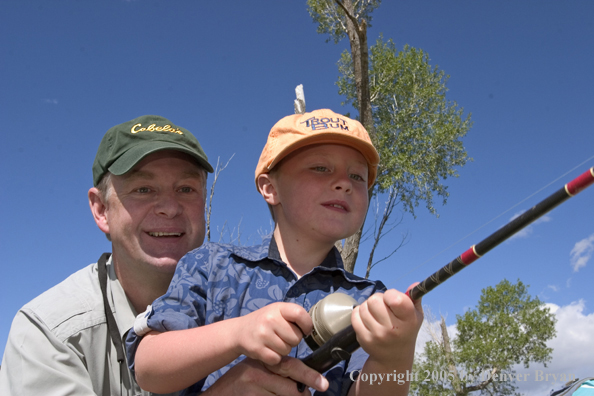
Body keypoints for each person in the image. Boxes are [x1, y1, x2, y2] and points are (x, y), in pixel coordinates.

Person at [125, 109, 424, 396]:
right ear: (270, 188)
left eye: (358, 177)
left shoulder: (370, 300)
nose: (344, 183)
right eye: (321, 168)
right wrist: (237, 334)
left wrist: (394, 358)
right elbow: (148, 366)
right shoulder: (211, 265)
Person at [0, 115, 216, 395]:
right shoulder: (51, 333)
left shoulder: (250, 309)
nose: (169, 207)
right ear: (101, 210)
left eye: (186, 189)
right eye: (143, 189)